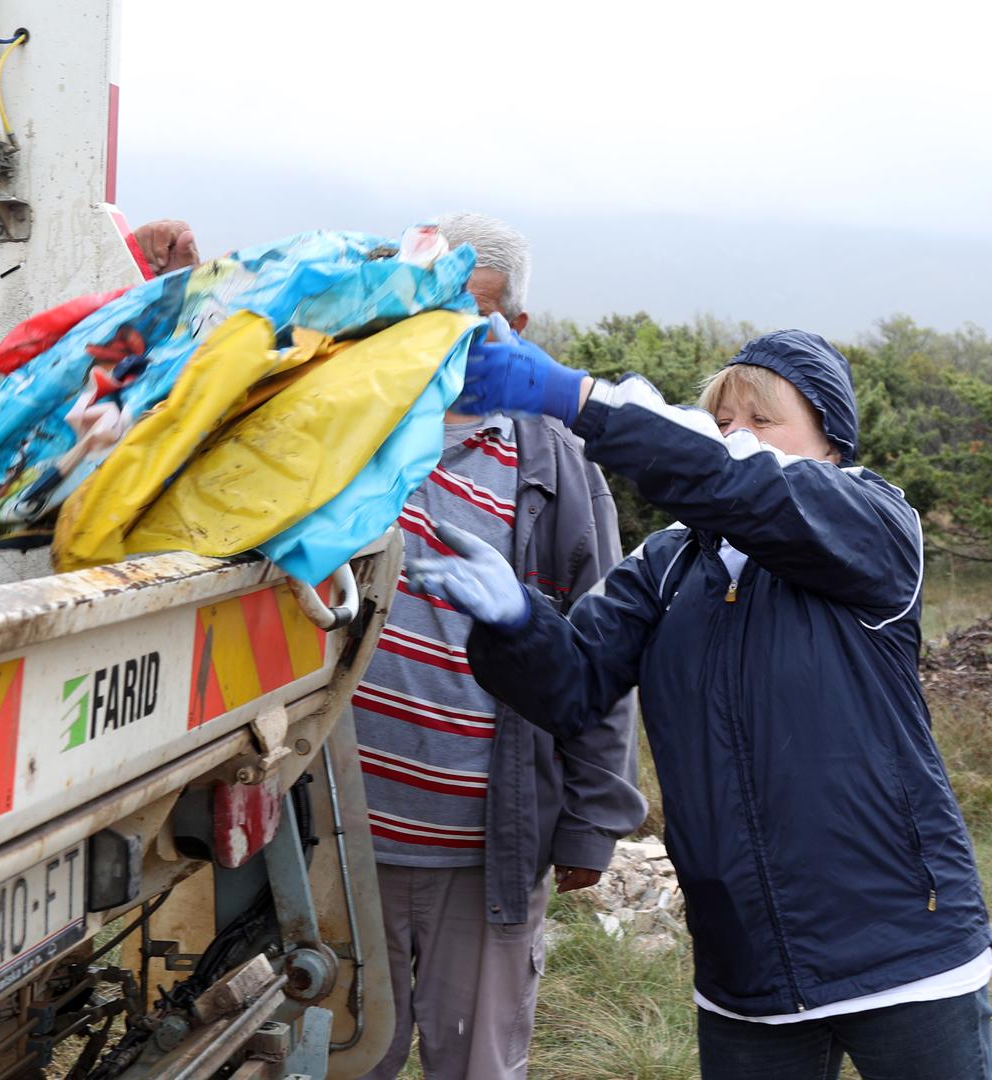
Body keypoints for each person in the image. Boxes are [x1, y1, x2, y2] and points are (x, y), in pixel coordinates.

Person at [406, 327, 992, 1080]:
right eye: (722, 423)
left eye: (763, 419)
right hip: (745, 965)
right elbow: (573, 686)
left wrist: (579, 400)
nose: (738, 438)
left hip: (906, 952)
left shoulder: (873, 525)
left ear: (832, 438)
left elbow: (744, 485)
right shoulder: (669, 562)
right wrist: (516, 623)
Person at [355, 212, 646, 1080]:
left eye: (474, 313)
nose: (448, 333)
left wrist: (592, 823)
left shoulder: (555, 469)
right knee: (334, 1054)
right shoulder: (352, 438)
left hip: (487, 843)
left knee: (477, 1062)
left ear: (514, 329)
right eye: (429, 307)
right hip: (342, 833)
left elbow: (605, 655)